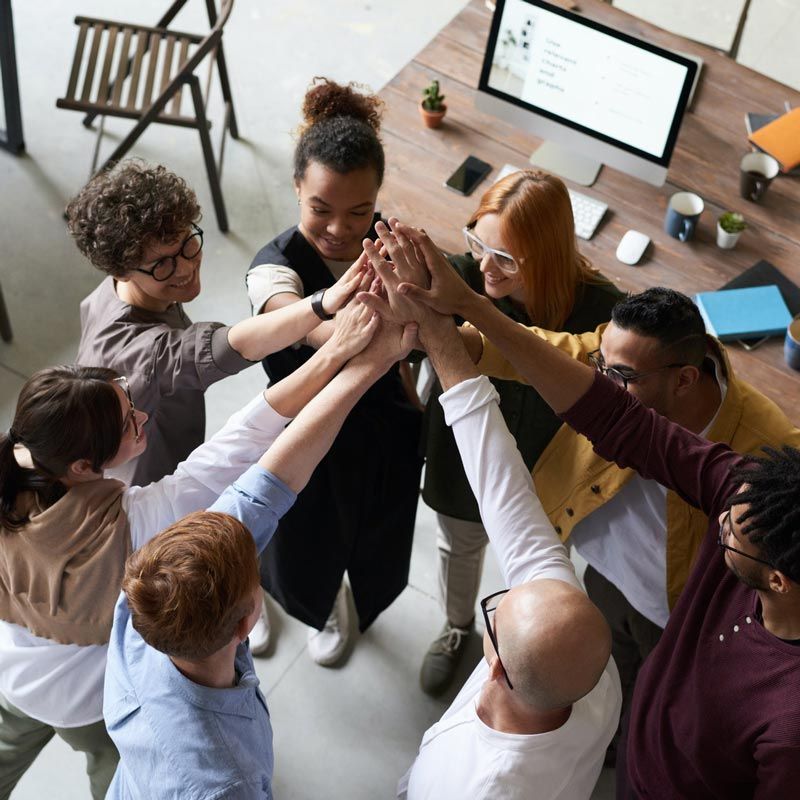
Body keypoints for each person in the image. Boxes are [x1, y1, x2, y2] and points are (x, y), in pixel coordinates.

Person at [387, 223, 800, 799]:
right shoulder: (749, 488)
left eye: (727, 536)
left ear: (777, 579)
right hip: (616, 609)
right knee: (619, 681)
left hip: (665, 761)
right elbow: (610, 415)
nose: (720, 522)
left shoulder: (787, 726)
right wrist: (459, 317)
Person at [0, 303, 374, 799]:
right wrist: (338, 354)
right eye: (130, 422)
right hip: (86, 701)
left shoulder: (18, 463)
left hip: (13, 675)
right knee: (119, 775)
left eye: (128, 402)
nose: (143, 416)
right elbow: (242, 443)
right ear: (86, 466)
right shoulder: (138, 525)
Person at [460, 286, 800, 757]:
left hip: (670, 612)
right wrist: (456, 335)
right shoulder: (620, 358)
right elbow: (537, 351)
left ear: (683, 379)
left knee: (648, 699)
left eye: (619, 376)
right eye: (600, 365)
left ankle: (622, 749)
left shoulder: (762, 455)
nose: (599, 386)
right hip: (601, 573)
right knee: (600, 677)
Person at [104, 310, 418, 799]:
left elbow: (269, 482)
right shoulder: (229, 781)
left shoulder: (142, 605)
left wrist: (371, 362)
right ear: (247, 621)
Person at [355, 229, 620, 799]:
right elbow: (507, 495)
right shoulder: (592, 674)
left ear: (494, 665)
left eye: (493, 612)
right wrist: (439, 334)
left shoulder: (481, 787)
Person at [68, 159, 366, 653]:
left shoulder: (115, 292)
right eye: (163, 264)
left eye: (188, 243)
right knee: (211, 547)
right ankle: (239, 605)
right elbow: (227, 347)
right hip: (150, 485)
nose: (184, 267)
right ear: (121, 267)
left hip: (166, 456)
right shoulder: (138, 351)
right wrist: (323, 305)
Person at [417, 169, 624, 695]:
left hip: (552, 478)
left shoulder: (604, 315)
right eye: (477, 243)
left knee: (537, 577)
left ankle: (521, 653)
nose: (484, 266)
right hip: (464, 464)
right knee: (459, 548)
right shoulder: (457, 277)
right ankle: (458, 626)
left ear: (548, 256)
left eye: (505, 258)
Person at [245, 78, 423, 666]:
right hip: (302, 426)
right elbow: (295, 321)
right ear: (297, 187)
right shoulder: (272, 270)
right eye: (320, 208)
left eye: (359, 211)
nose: (340, 229)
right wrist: (346, 328)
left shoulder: (394, 246)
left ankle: (338, 606)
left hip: (379, 428)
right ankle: (265, 602)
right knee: (292, 538)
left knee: (374, 537)